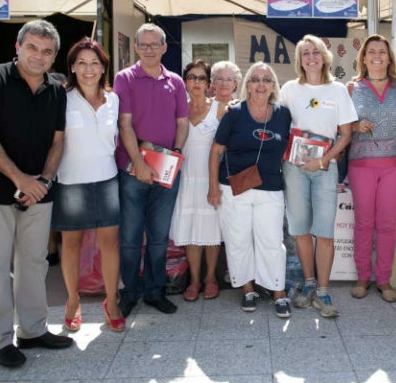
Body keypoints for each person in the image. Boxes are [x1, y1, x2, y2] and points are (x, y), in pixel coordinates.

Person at [0, 20, 73, 368]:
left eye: (47, 51)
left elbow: (59, 141)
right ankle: (0, 341)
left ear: (54, 56)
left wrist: (43, 180)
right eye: (32, 47)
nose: (38, 56)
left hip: (38, 193)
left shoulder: (57, 89)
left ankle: (32, 330)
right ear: (17, 47)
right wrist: (20, 178)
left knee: (34, 263)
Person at [115, 23, 189, 317]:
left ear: (164, 48)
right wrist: (141, 163)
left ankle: (155, 291)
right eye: (143, 45)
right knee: (131, 237)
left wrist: (176, 157)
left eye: (153, 44)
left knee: (159, 236)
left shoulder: (176, 82)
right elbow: (125, 124)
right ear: (135, 48)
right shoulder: (125, 78)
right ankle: (131, 292)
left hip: (166, 168)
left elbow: (182, 124)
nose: (148, 49)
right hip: (134, 168)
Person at [280, 35, 358, 317]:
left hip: (325, 168)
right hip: (295, 168)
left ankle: (323, 293)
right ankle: (309, 284)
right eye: (305, 53)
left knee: (324, 232)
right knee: (300, 230)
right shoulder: (290, 89)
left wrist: (323, 160)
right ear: (299, 60)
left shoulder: (337, 90)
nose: (311, 57)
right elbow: (278, 123)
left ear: (325, 56)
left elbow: (346, 134)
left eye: (315, 52)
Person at [51, 38, 124, 332]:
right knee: (71, 244)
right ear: (71, 67)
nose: (88, 68)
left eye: (94, 62)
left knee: (110, 243)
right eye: (81, 62)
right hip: (70, 180)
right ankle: (72, 300)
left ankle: (111, 300)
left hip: (106, 179)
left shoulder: (113, 99)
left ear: (103, 66)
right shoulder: (61, 97)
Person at [207, 62, 292, 317]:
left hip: (270, 187)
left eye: (266, 79)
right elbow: (216, 151)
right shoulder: (235, 112)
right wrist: (213, 187)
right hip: (234, 187)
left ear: (273, 86)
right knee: (238, 240)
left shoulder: (283, 114)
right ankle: (248, 289)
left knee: (272, 241)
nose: (260, 84)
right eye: (255, 79)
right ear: (247, 85)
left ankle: (278, 291)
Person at [347, 34, 396, 302]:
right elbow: (338, 124)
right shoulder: (351, 88)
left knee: (386, 224)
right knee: (363, 223)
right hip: (361, 163)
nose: (376, 56)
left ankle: (383, 279)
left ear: (389, 57)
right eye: (371, 51)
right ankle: (363, 276)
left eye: (382, 52)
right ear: (363, 57)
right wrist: (353, 126)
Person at [171, 60, 223, 301]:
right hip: (186, 179)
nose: (196, 82)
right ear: (185, 81)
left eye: (202, 78)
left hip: (212, 180)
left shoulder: (221, 109)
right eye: (192, 77)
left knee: (211, 230)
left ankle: (211, 278)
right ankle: (194, 280)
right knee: (192, 230)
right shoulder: (178, 109)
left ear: (209, 83)